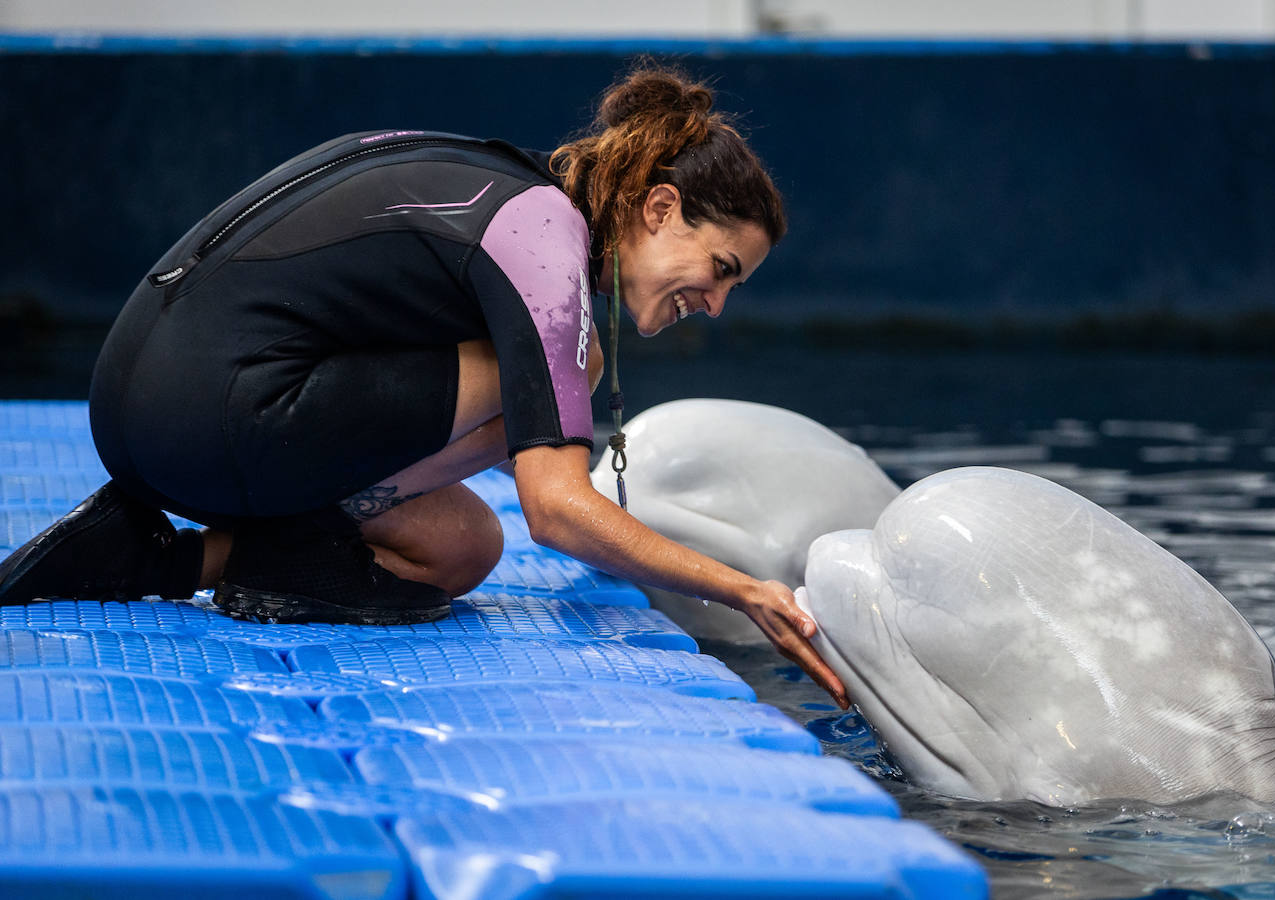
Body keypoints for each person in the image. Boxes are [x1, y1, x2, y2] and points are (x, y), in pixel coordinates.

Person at [0, 66, 849, 708]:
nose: (716, 303)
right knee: (570, 379)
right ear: (661, 208)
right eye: (721, 268)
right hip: (206, 414)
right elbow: (553, 510)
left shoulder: (506, 188)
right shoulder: (544, 236)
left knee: (462, 547)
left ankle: (162, 554)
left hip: (138, 401)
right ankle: (263, 530)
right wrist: (740, 587)